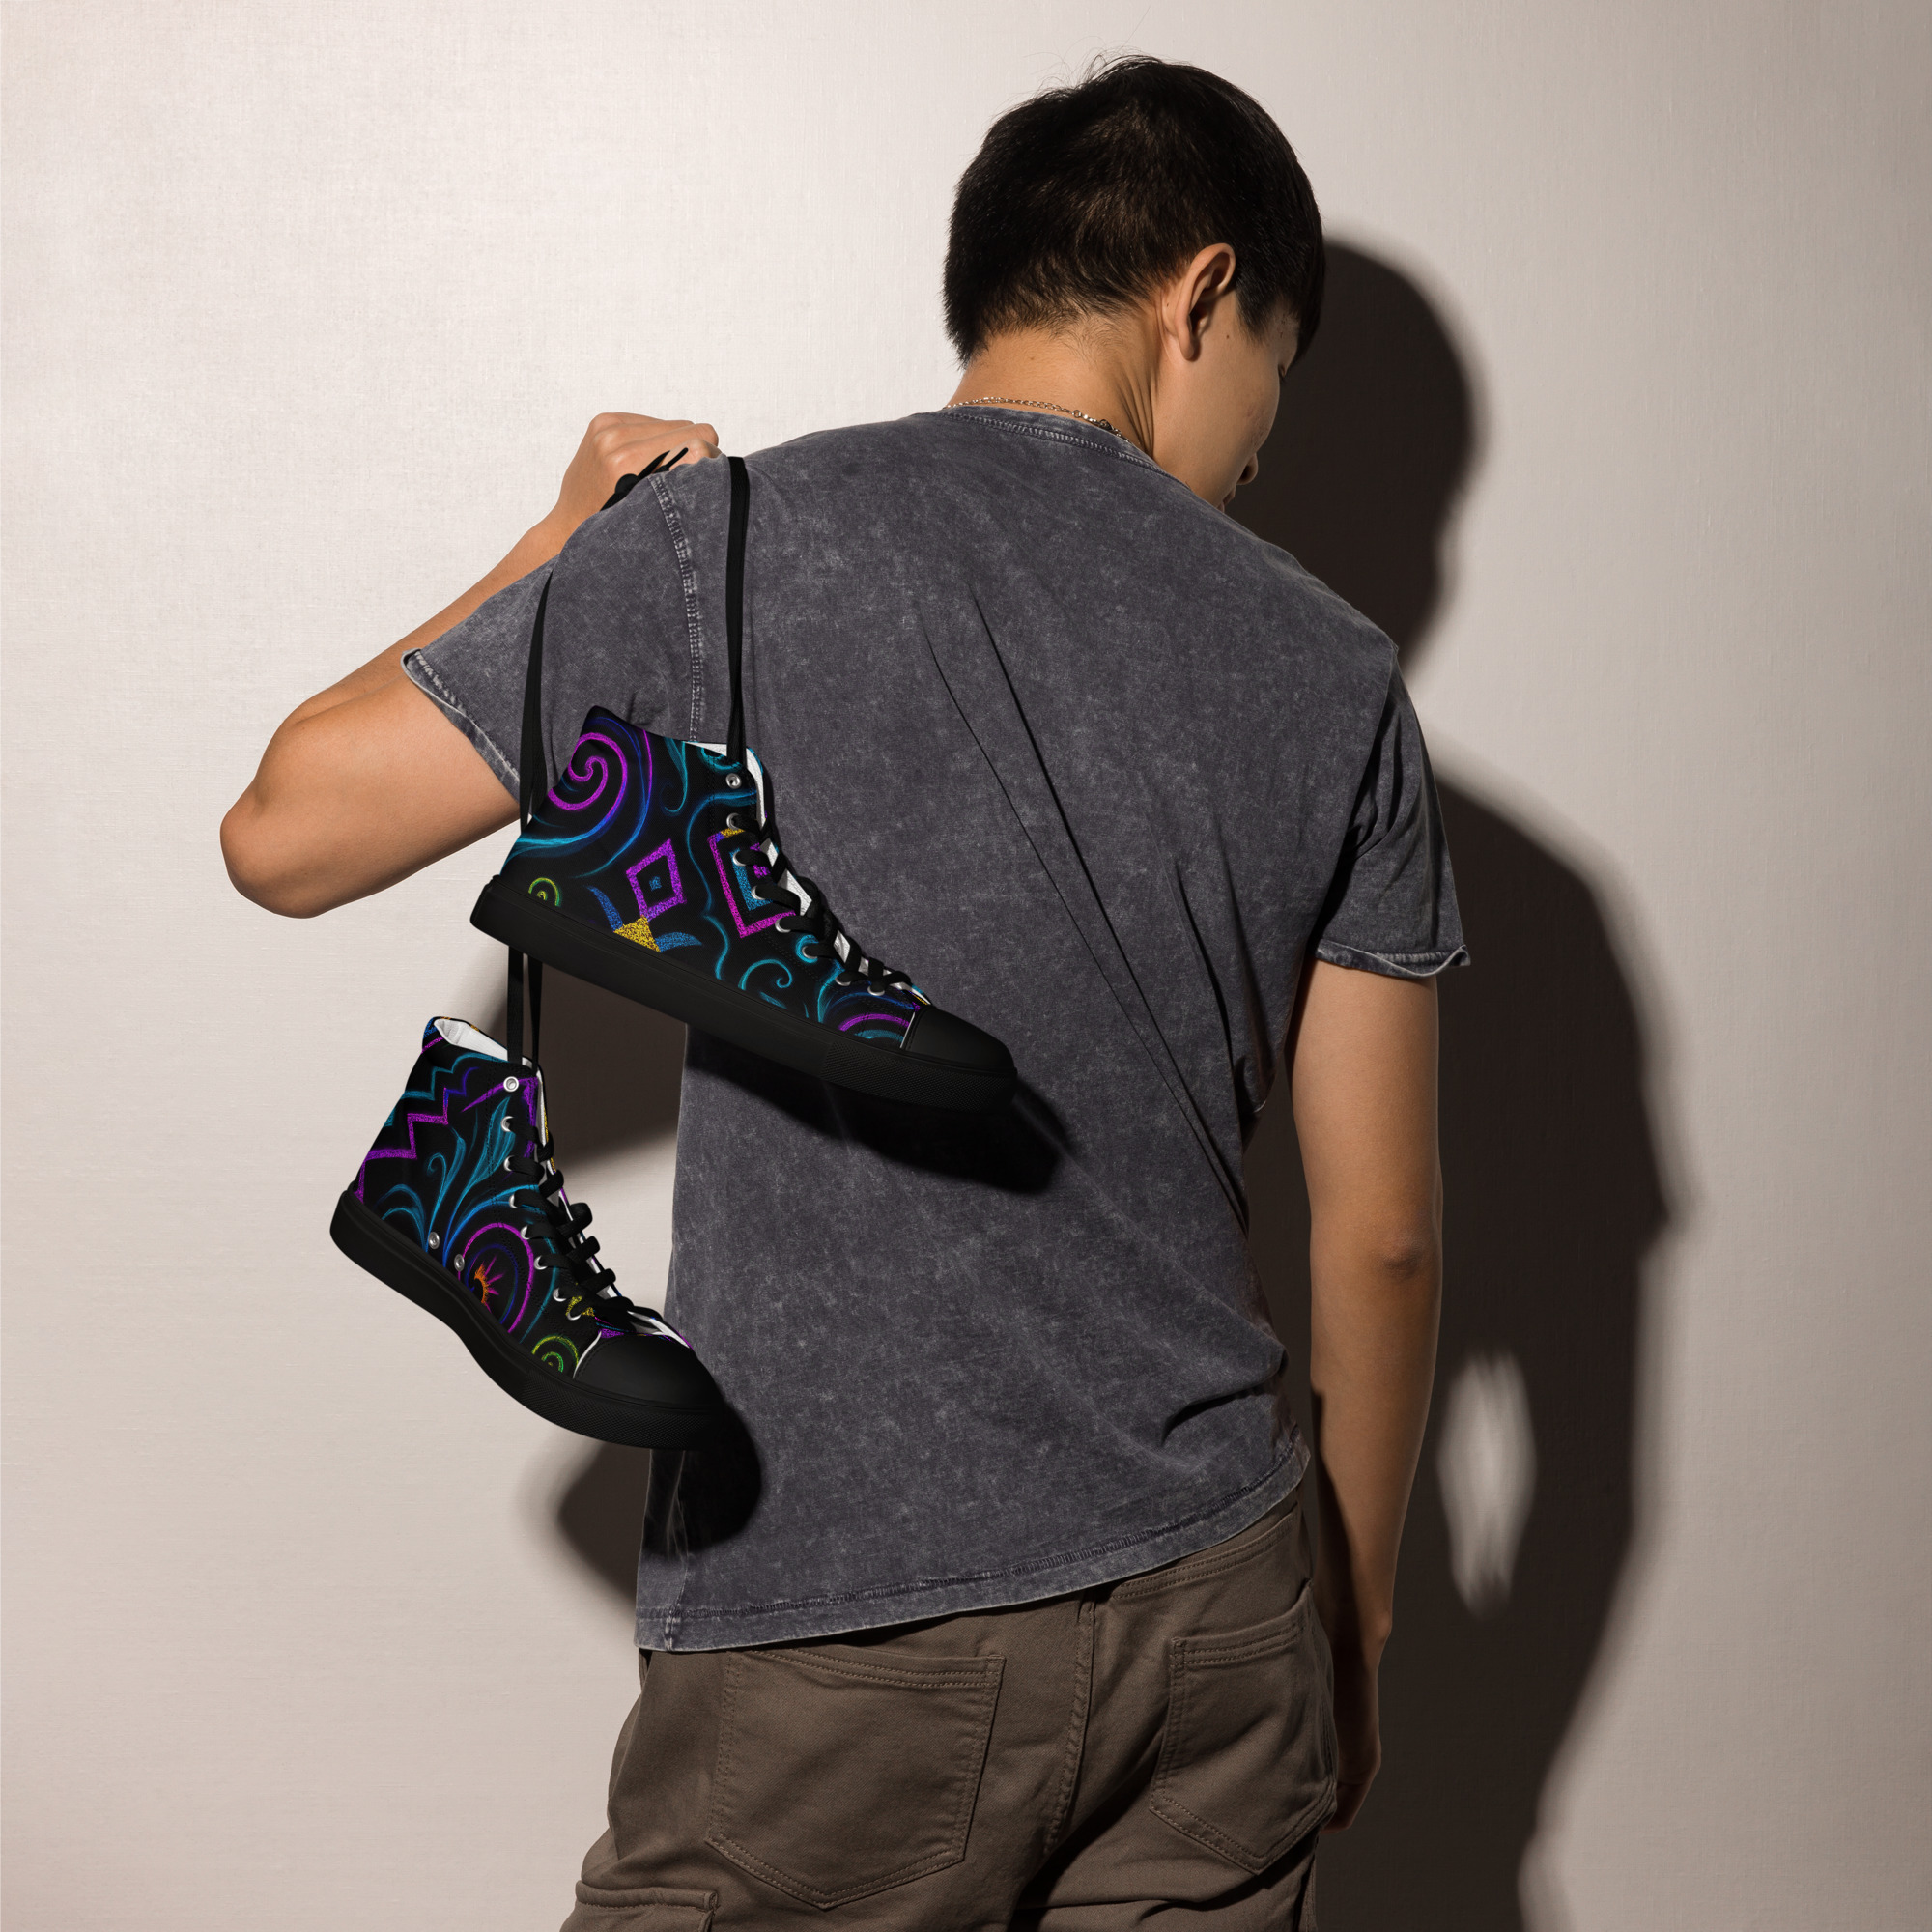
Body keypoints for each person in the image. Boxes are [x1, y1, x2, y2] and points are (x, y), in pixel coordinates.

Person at [222, 54, 1463, 1931]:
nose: (1254, 450)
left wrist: (563, 551)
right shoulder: (1334, 669)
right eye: (1272, 386)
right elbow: (1381, 1236)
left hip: (836, 1608)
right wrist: (1346, 1622)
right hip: (1215, 1603)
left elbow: (286, 834)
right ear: (1202, 295)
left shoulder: (720, 546)